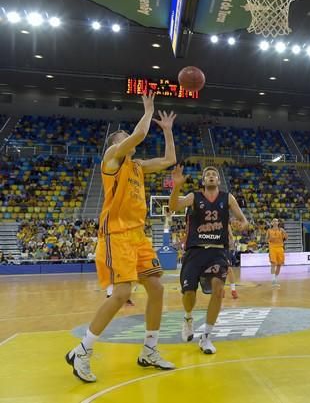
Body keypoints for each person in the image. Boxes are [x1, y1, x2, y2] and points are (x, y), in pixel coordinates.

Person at [66, 92, 177, 383]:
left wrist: (167, 132)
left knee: (156, 287)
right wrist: (148, 108)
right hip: (117, 235)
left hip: (139, 236)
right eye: (122, 137)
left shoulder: (138, 166)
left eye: (127, 137)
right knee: (122, 294)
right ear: (115, 145)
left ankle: (149, 350)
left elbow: (170, 159)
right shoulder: (111, 160)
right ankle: (82, 350)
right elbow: (140, 133)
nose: (128, 139)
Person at [168, 165, 248, 354]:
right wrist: (176, 186)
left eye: (214, 174)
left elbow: (244, 221)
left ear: (218, 180)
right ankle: (188, 318)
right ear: (203, 181)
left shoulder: (228, 198)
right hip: (195, 251)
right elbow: (173, 207)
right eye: (207, 175)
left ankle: (206, 337)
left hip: (218, 252)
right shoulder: (193, 197)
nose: (211, 176)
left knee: (218, 290)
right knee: (189, 293)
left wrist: (241, 225)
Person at [266, 219, 287, 287]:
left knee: (279, 265)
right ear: (271, 223)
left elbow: (286, 238)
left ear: (278, 223)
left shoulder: (281, 230)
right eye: (274, 221)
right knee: (273, 263)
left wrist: (285, 233)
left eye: (276, 221)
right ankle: (273, 280)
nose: (275, 222)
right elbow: (266, 239)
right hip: (272, 248)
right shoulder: (269, 230)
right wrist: (269, 239)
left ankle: (275, 279)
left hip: (280, 248)